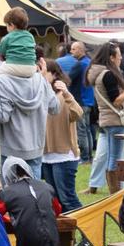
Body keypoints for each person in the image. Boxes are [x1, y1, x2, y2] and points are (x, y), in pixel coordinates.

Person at [0, 40, 52, 177]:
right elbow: (55, 107)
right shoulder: (41, 80)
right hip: (35, 148)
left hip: (10, 149)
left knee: (12, 195)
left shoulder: (2, 81)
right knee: (33, 193)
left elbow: (1, 116)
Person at [87, 44, 124, 193]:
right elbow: (116, 100)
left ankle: (115, 191)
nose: (121, 57)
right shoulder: (108, 74)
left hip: (108, 120)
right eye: (118, 55)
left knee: (111, 157)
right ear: (111, 57)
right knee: (115, 159)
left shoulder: (99, 74)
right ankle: (116, 193)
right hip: (115, 120)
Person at [37, 73, 84, 216]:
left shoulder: (62, 96)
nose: (40, 74)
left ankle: (85, 232)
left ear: (54, 74)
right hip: (45, 156)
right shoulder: (39, 95)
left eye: (44, 71)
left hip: (64, 156)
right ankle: (65, 236)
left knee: (67, 199)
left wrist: (67, 93)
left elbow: (78, 113)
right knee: (55, 200)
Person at [0, 7, 40, 72]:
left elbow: (1, 56)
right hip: (31, 68)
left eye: (6, 25)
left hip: (13, 67)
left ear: (11, 25)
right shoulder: (30, 36)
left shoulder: (7, 37)